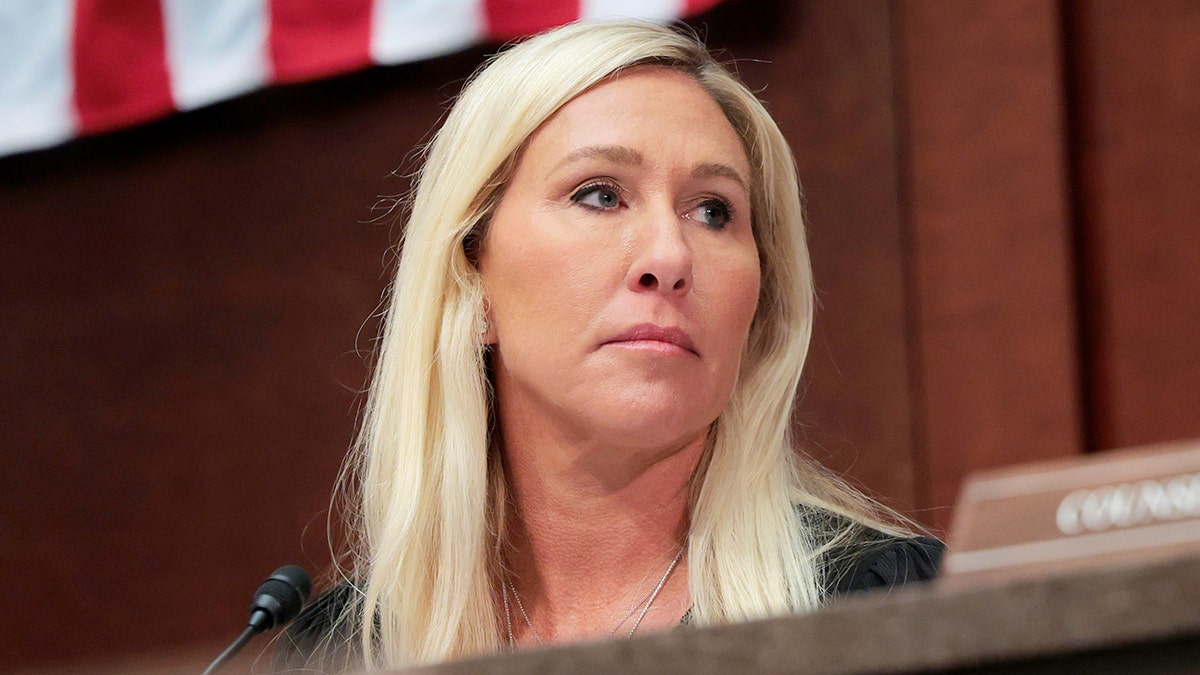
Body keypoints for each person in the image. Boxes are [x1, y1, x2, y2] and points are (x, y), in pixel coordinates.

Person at [274, 19, 942, 672]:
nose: (670, 255)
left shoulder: (893, 603)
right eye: (600, 194)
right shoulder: (344, 651)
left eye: (713, 209)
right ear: (472, 281)